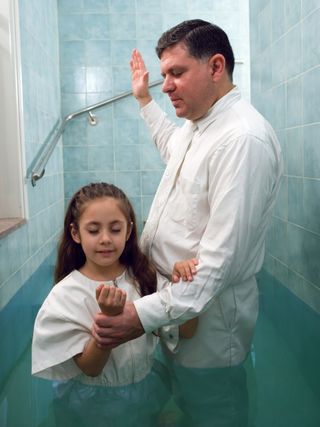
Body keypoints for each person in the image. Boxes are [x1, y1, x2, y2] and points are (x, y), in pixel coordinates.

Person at [92, 19, 283, 426]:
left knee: (214, 411)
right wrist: (144, 102)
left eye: (177, 73)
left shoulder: (241, 140)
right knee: (186, 404)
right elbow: (170, 144)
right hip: (177, 306)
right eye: (163, 75)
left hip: (210, 330)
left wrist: (138, 317)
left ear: (216, 67)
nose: (167, 85)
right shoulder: (199, 127)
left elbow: (217, 266)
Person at [31, 182, 197, 427]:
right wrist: (109, 320)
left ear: (128, 231)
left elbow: (187, 331)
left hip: (145, 388)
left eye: (115, 229)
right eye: (94, 230)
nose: (106, 239)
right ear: (76, 234)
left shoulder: (145, 279)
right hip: (92, 403)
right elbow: (91, 367)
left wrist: (184, 286)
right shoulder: (66, 295)